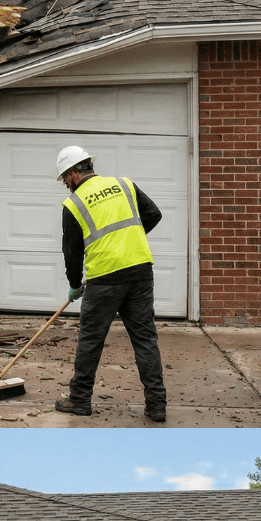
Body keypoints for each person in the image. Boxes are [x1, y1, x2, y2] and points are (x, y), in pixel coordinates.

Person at [54, 145, 167, 422]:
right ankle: (157, 405)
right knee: (145, 339)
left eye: (65, 179)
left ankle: (79, 399)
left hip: (105, 278)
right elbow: (153, 214)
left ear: (73, 174)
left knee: (90, 341)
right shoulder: (124, 184)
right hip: (140, 270)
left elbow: (72, 252)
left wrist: (74, 283)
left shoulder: (74, 203)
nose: (66, 185)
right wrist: (129, 239)